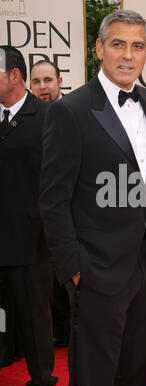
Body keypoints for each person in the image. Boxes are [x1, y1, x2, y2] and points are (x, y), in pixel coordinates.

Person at [40, 10, 146, 386]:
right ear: (98, 48)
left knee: (141, 379)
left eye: (138, 46)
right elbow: (53, 200)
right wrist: (74, 271)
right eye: (118, 44)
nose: (128, 55)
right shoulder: (70, 111)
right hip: (96, 271)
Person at [0, 46, 58, 386]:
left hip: (32, 236)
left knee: (36, 313)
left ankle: (43, 380)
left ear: (14, 76)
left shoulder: (50, 116)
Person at [31, 60, 70, 348]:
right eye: (37, 82)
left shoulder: (73, 114)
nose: (43, 87)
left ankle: (69, 332)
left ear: (59, 80)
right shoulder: (25, 118)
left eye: (48, 80)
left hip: (69, 213)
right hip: (33, 214)